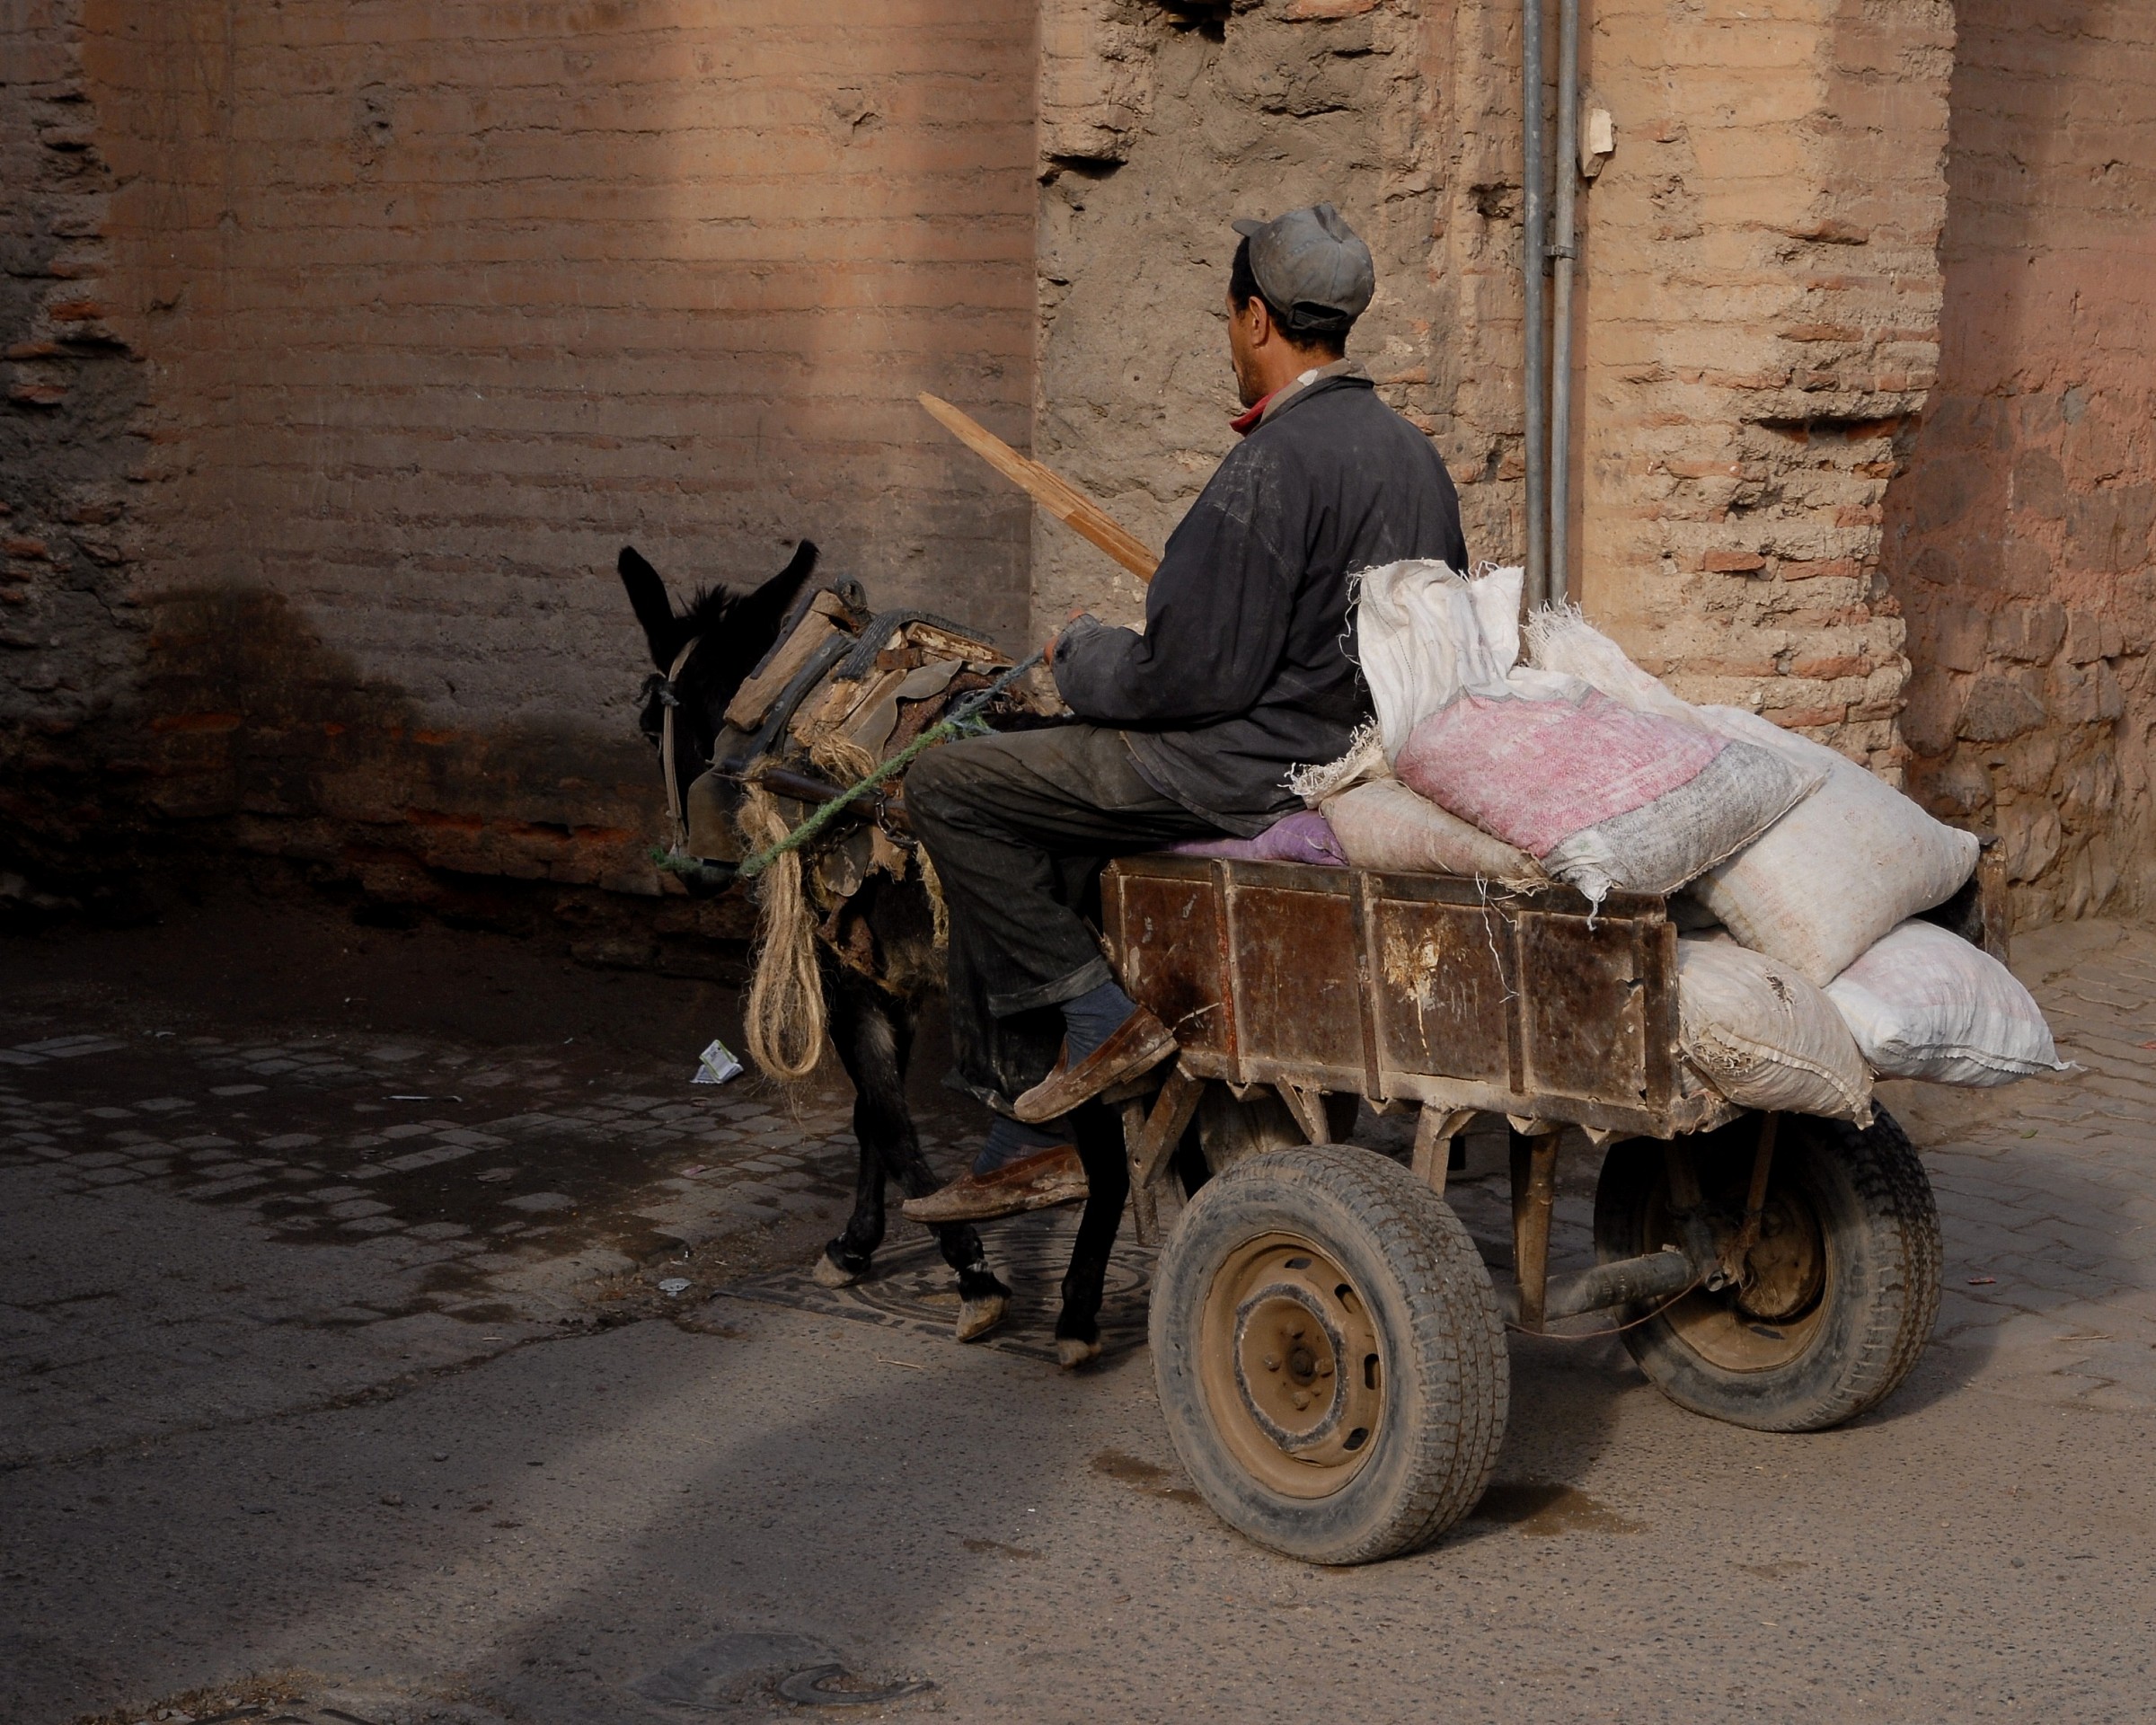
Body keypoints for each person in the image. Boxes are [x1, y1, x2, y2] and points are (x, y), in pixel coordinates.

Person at [901, 202, 1468, 1225]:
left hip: (1242, 763)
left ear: (1257, 319)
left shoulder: (1274, 462)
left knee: (950, 783)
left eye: (1230, 321)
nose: (1231, 343)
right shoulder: (1411, 456)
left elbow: (1191, 679)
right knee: (1045, 792)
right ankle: (1038, 1121)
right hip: (1340, 745)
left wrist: (1082, 655)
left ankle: (1096, 1023)